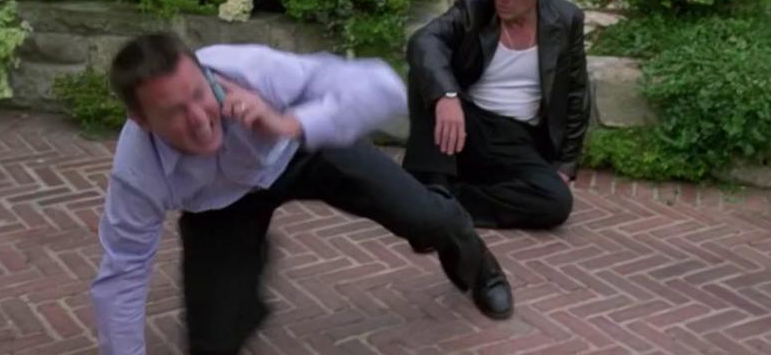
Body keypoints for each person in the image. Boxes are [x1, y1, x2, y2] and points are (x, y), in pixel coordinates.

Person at [90, 34, 513, 355]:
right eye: (174, 113)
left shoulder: (250, 69)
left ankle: (478, 263)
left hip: (301, 149)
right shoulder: (136, 172)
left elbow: (381, 86)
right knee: (211, 343)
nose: (199, 119)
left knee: (426, 217)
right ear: (141, 120)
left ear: (205, 74)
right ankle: (246, 277)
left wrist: (288, 123)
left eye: (199, 95)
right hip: (222, 206)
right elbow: (123, 271)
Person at [404, 0, 590, 231]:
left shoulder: (566, 20)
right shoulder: (473, 10)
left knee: (556, 203)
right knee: (426, 74)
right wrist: (447, 96)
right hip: (466, 124)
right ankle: (435, 188)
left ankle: (444, 202)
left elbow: (576, 94)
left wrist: (566, 166)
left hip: (517, 138)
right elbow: (424, 40)